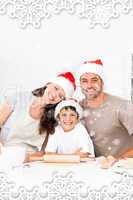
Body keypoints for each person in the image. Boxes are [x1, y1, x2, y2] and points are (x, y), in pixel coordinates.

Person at [0, 72, 76, 153]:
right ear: (48, 84)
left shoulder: (53, 118)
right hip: (5, 152)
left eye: (60, 96)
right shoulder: (19, 98)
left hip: (30, 159)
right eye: (56, 88)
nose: (55, 95)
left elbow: (44, 150)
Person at [75, 59, 133, 158]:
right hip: (95, 168)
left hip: (122, 168)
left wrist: (118, 160)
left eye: (94, 80)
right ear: (80, 84)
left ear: (102, 82)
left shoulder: (122, 106)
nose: (89, 85)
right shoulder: (77, 109)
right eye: (84, 81)